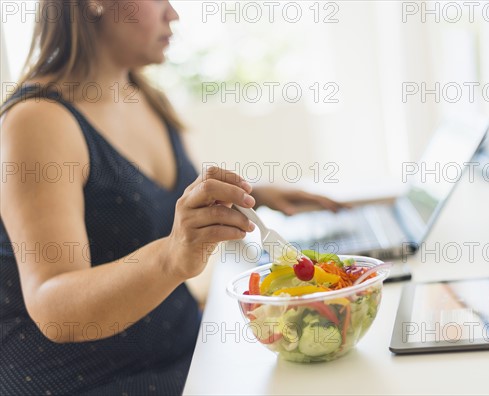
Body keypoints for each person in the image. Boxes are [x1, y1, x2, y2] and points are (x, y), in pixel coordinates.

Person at [0, 1, 344, 394]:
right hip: (92, 380)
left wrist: (251, 195)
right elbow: (53, 307)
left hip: (187, 355)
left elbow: (145, 211)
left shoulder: (143, 95)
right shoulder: (37, 120)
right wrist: (172, 255)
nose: (174, 14)